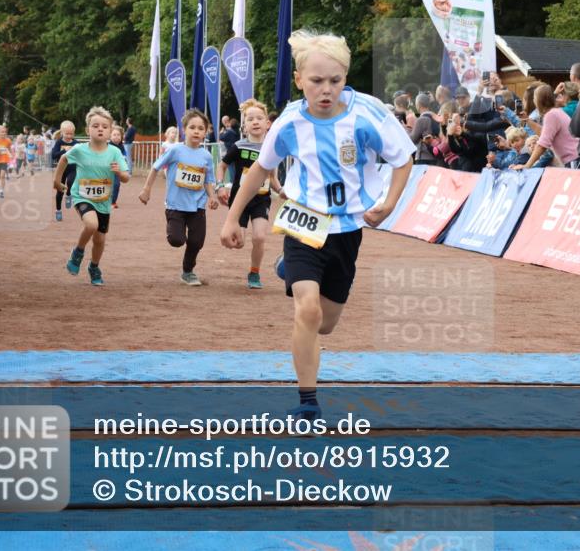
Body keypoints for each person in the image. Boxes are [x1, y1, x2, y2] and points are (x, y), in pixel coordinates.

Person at [219, 30, 414, 421]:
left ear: (346, 76)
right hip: (303, 223)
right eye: (316, 81)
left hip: (346, 231)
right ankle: (308, 402)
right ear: (299, 80)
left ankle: (286, 271)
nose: (326, 90)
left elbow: (403, 158)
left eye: (335, 81)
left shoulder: (368, 113)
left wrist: (389, 204)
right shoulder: (290, 122)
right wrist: (230, 219)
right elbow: (260, 169)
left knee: (325, 324)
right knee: (306, 311)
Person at [139, 109, 219, 286]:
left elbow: (207, 180)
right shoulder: (174, 150)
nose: (196, 131)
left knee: (197, 241)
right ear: (184, 130)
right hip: (175, 205)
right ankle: (173, 229)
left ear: (205, 132)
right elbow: (155, 167)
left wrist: (212, 197)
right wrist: (146, 190)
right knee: (177, 240)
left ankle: (188, 272)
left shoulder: (206, 156)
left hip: (198, 205)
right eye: (192, 127)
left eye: (200, 128)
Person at [55, 106, 130, 286]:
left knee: (99, 239)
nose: (100, 129)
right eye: (95, 125)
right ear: (88, 129)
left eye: (104, 126)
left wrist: (119, 173)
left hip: (103, 202)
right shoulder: (80, 149)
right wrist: (57, 181)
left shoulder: (115, 152)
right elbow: (64, 159)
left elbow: (126, 177)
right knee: (91, 224)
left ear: (111, 131)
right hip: (81, 196)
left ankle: (94, 267)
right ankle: (78, 252)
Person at [217, 99, 283, 289]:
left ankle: (254, 273)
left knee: (260, 237)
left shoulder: (271, 150)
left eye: (259, 118)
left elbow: (273, 178)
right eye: (250, 119)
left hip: (261, 200)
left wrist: (281, 190)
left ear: (267, 124)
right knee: (239, 242)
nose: (255, 122)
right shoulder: (238, 146)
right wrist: (220, 186)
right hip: (240, 200)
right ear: (244, 126)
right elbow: (221, 166)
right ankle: (236, 234)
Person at [511, 83, 579, 169]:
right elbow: (544, 133)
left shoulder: (551, 115)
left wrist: (527, 165)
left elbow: (542, 145)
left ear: (539, 101)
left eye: (534, 98)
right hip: (574, 158)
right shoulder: (555, 112)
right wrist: (527, 120)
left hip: (573, 159)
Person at [50, 121, 79, 222]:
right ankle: (58, 210)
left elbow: (82, 154)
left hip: (72, 168)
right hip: (61, 170)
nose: (69, 136)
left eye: (71, 134)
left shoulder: (76, 143)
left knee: (71, 182)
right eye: (67, 133)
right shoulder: (59, 142)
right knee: (59, 191)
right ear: (62, 132)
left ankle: (69, 194)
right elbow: (53, 155)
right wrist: (64, 151)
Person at [409, 92, 442, 165]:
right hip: (436, 155)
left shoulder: (421, 119)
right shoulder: (436, 117)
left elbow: (412, 139)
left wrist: (407, 129)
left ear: (418, 105)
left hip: (423, 157)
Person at [109, 125, 126, 208]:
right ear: (110, 136)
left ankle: (113, 202)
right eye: (114, 135)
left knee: (116, 185)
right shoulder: (108, 146)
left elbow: (124, 157)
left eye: (118, 135)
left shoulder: (122, 147)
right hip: (107, 170)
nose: (116, 137)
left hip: (117, 170)